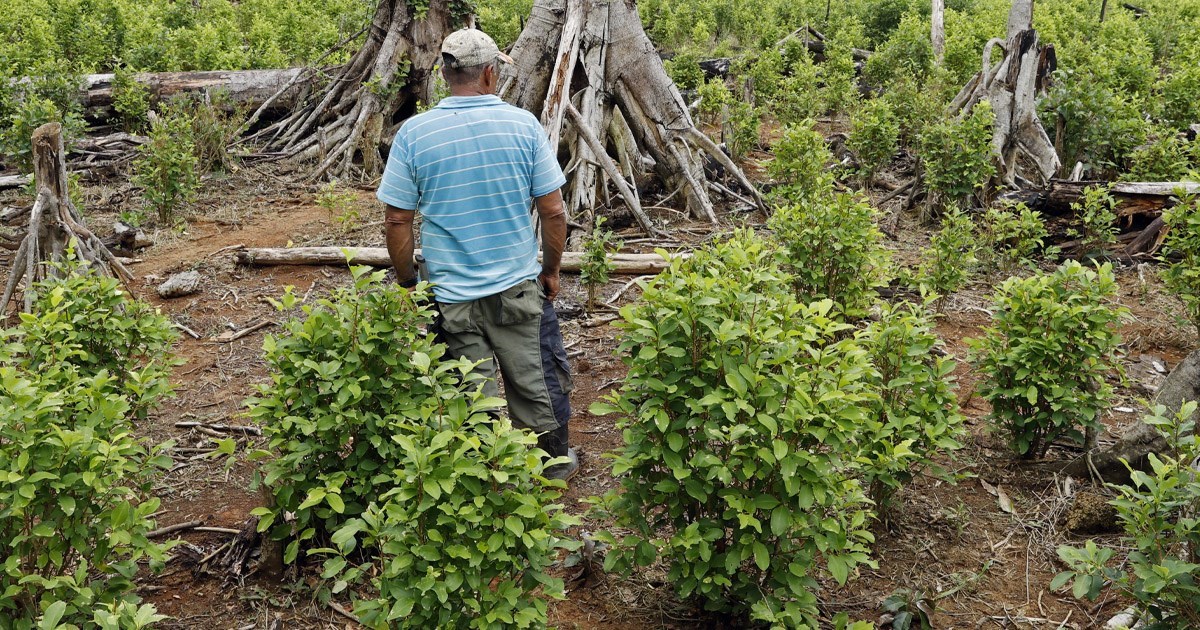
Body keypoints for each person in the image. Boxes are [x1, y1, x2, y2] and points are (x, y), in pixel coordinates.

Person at [376, 28, 579, 482]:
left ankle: (486, 479)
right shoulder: (523, 125)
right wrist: (550, 271)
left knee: (471, 395)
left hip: (451, 295)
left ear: (445, 74)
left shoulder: (415, 133)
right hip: (518, 287)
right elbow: (553, 211)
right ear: (490, 73)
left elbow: (397, 221)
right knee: (538, 381)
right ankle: (552, 468)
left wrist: (409, 282)